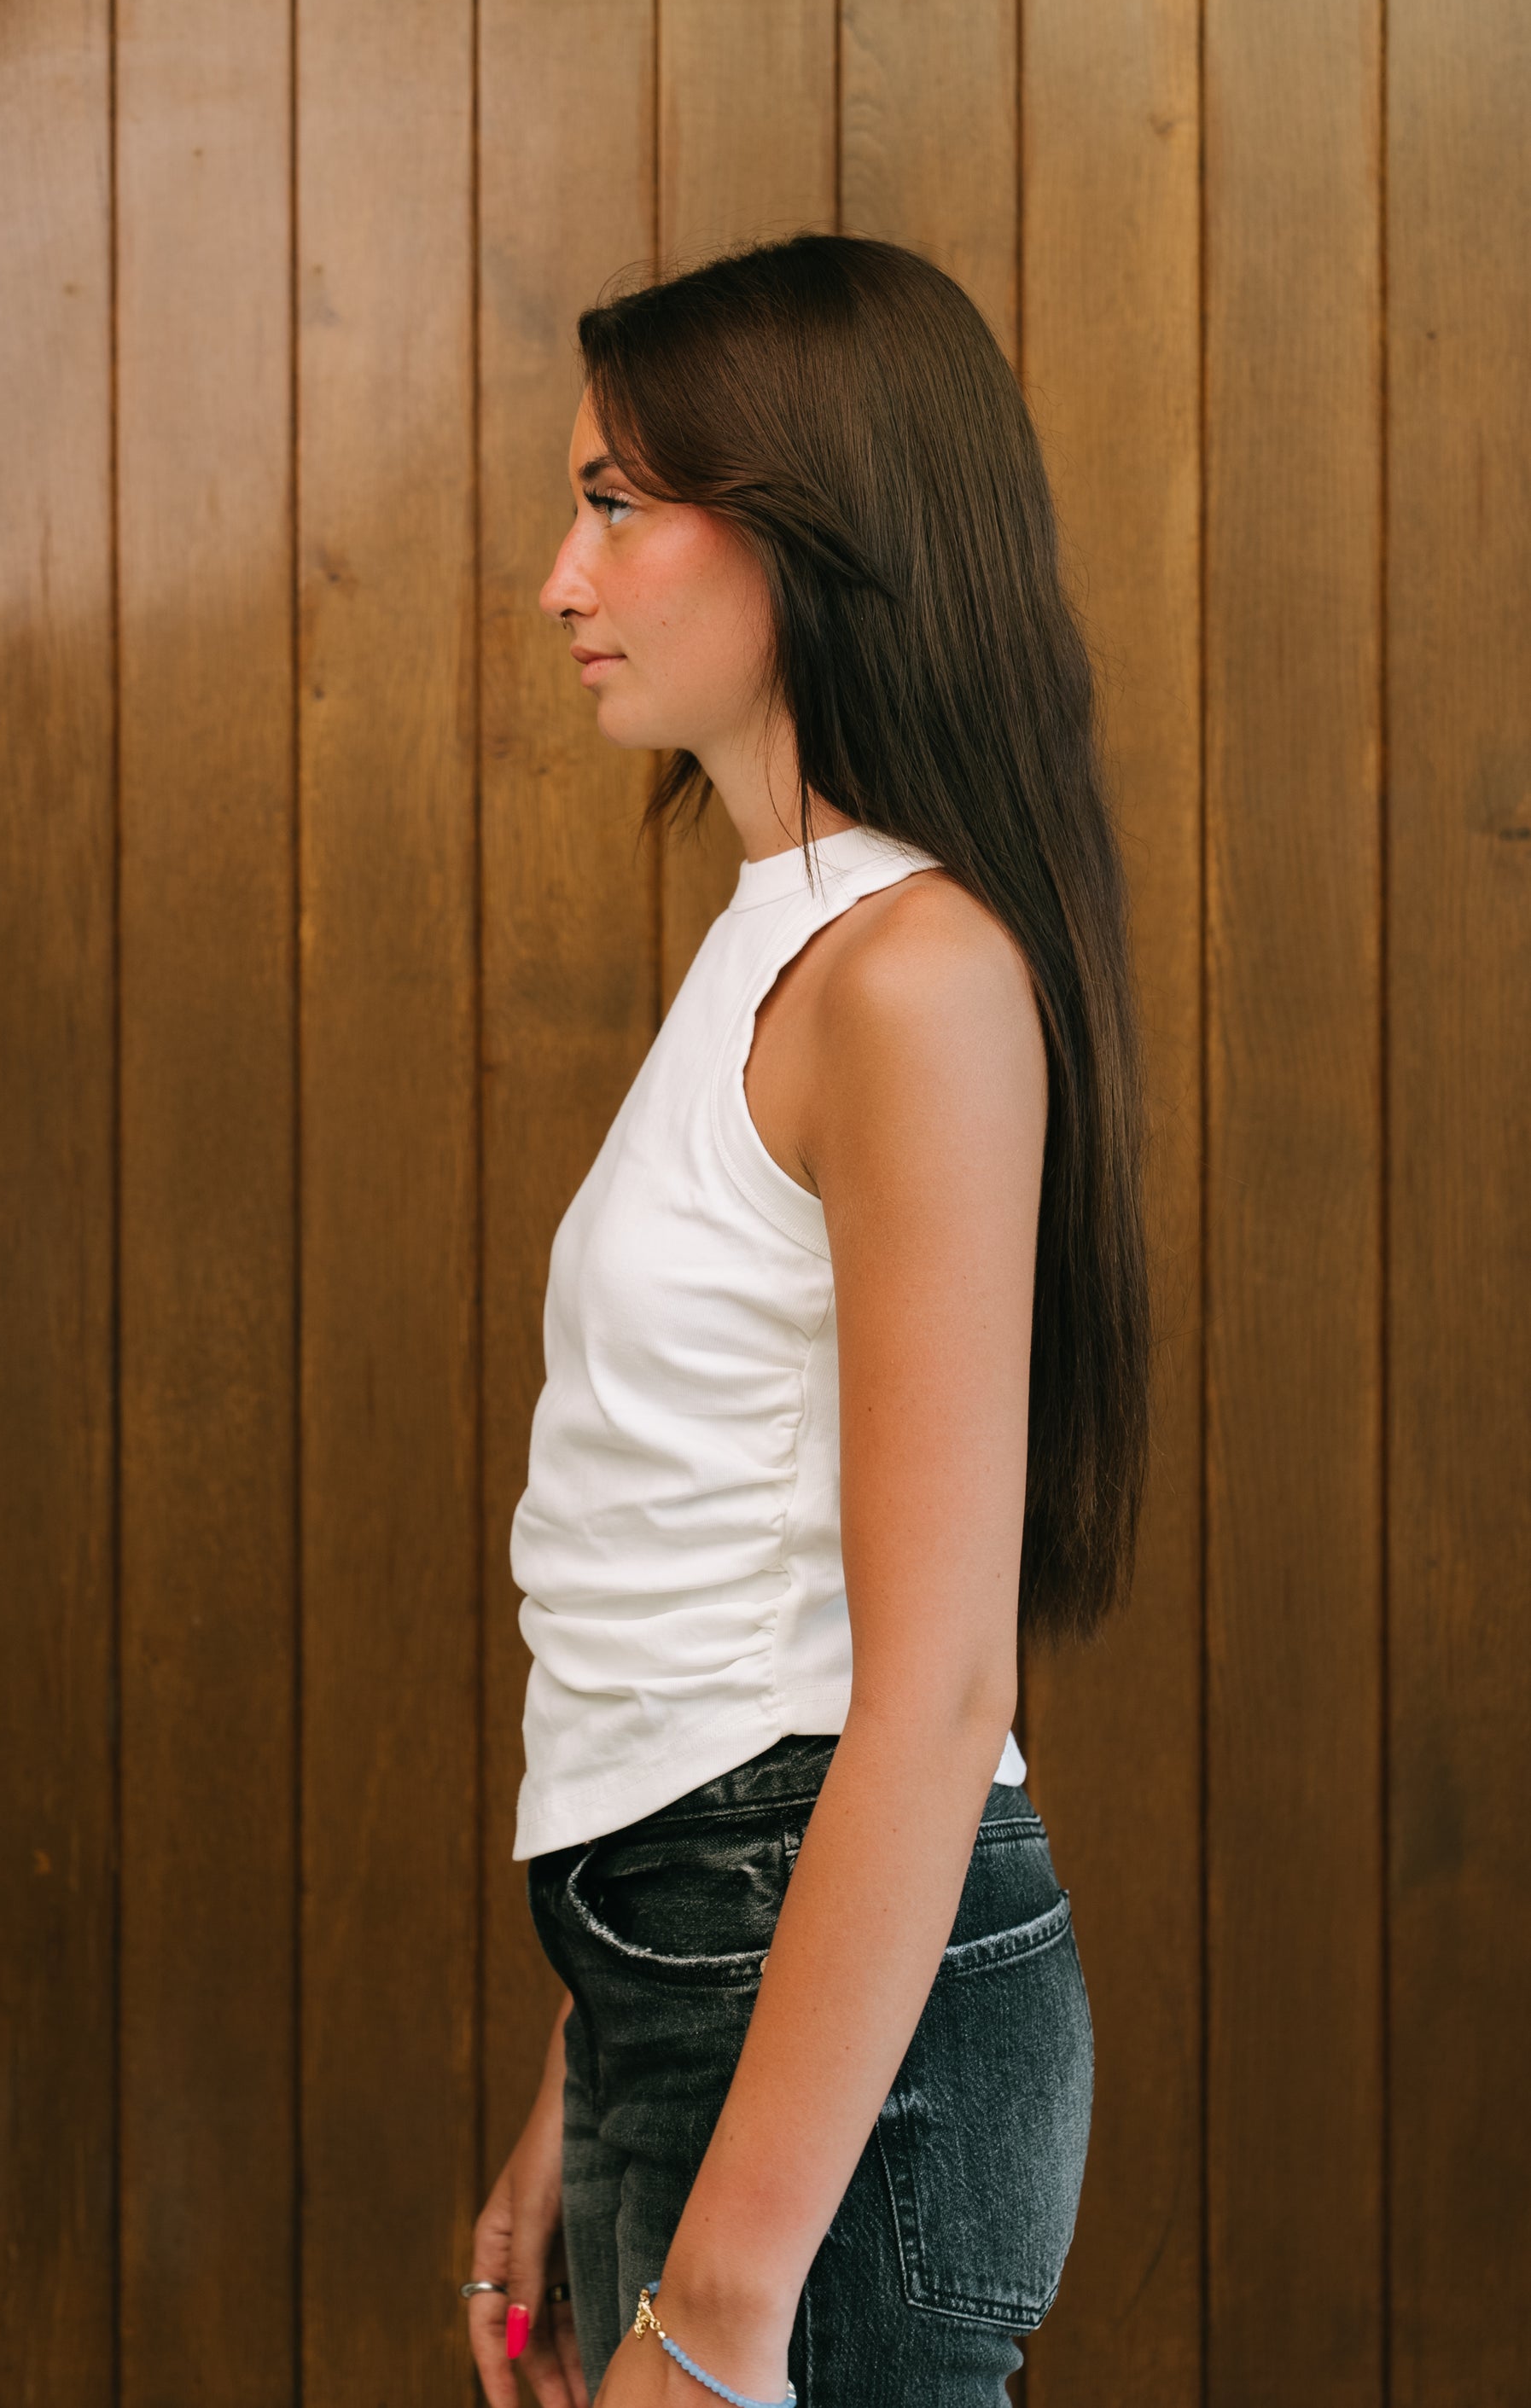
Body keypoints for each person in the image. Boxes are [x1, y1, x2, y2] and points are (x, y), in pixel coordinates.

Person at [463, 232, 1150, 2408]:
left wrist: (727, 2302)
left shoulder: (916, 980)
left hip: (843, 2047)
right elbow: (710, 1583)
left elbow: (931, 1692)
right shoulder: (780, 941)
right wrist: (586, 2064)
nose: (560, 580)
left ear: (808, 522)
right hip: (703, 1974)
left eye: (610, 504)